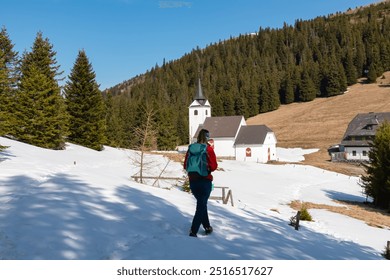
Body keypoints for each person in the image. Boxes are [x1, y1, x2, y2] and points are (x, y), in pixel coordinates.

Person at [183, 129, 218, 237]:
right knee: (201, 206)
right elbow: (214, 166)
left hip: (193, 181)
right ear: (207, 137)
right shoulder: (208, 149)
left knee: (202, 205)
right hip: (205, 180)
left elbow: (185, 166)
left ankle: (207, 227)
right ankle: (193, 231)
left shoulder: (191, 148)